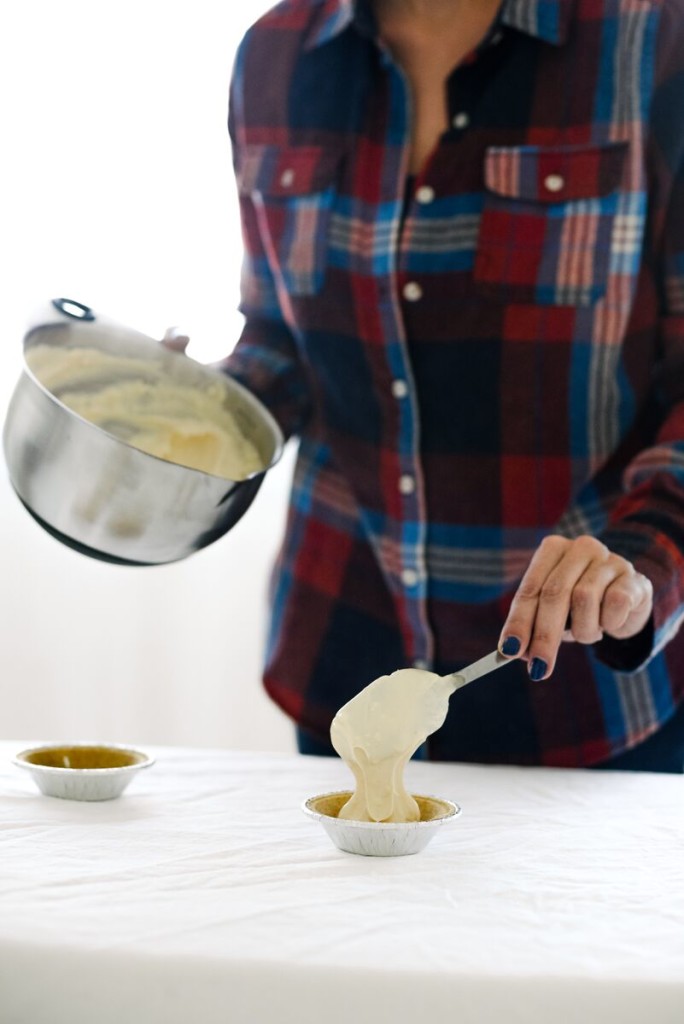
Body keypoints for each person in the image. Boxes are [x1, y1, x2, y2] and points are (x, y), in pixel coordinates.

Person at [206, 0, 684, 769]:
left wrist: (639, 560)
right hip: (342, 648)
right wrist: (186, 412)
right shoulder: (273, 55)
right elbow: (280, 337)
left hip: (588, 691)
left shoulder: (654, 42)